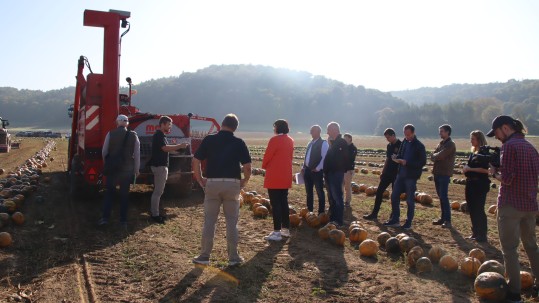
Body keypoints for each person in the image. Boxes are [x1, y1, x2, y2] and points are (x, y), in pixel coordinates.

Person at [486, 115, 539, 303]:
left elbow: (507, 178)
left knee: (510, 249)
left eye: (497, 133)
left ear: (505, 128)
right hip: (531, 206)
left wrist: (494, 173)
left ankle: (515, 293)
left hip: (511, 206)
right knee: (532, 246)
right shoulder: (531, 147)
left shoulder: (509, 146)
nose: (497, 137)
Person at [192, 114, 251, 267]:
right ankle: (233, 257)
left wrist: (200, 179)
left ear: (222, 124)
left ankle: (204, 256)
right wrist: (244, 181)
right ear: (235, 127)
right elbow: (247, 167)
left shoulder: (209, 139)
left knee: (210, 221)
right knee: (232, 222)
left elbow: (196, 160)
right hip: (232, 184)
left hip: (212, 183)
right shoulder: (239, 142)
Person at [99, 114, 140, 227]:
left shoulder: (110, 133)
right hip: (126, 170)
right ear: (127, 123)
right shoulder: (133, 135)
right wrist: (136, 169)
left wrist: (107, 163)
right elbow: (137, 154)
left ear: (117, 123)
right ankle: (123, 221)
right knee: (124, 195)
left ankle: (105, 219)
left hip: (112, 169)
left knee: (109, 193)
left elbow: (104, 152)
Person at [383, 124, 426, 230]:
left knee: (410, 200)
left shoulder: (419, 145)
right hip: (400, 174)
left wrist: (407, 163)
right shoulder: (404, 143)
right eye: (405, 134)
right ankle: (395, 219)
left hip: (411, 176)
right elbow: (401, 155)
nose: (406, 137)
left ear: (413, 133)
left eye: (408, 134)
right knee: (394, 196)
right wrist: (396, 158)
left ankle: (408, 222)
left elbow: (422, 162)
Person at [147, 116, 189, 224]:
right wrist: (179, 145)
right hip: (159, 166)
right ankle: (155, 214)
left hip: (160, 166)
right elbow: (164, 148)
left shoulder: (161, 136)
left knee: (158, 192)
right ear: (163, 124)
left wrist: (179, 149)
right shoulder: (159, 135)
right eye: (169, 124)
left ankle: (156, 212)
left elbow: (165, 149)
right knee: (158, 192)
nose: (170, 127)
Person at [262, 119, 294, 241]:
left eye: (274, 126)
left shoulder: (274, 140)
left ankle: (276, 232)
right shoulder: (290, 140)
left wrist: (264, 165)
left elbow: (267, 156)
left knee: (275, 204)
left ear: (277, 128)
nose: (273, 129)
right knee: (284, 203)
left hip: (275, 176)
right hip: (285, 175)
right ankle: (285, 229)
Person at [363, 128, 402, 220]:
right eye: (386, 138)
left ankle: (394, 215)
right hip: (387, 173)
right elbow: (388, 159)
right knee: (379, 192)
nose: (387, 139)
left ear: (393, 135)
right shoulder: (389, 146)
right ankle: (374, 214)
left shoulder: (401, 145)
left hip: (397, 174)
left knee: (395, 195)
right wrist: (383, 171)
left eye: (388, 137)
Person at [462, 130, 490, 242]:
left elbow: (486, 170)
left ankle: (482, 235)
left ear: (479, 139)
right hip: (470, 183)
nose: (471, 141)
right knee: (472, 208)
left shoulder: (485, 153)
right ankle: (475, 232)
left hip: (480, 184)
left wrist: (470, 169)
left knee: (479, 209)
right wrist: (466, 168)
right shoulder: (473, 152)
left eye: (473, 139)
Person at [323, 122, 349, 227]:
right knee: (332, 197)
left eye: (328, 129)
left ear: (334, 129)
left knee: (338, 197)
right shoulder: (333, 143)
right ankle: (333, 218)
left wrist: (338, 169)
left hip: (336, 174)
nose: (327, 132)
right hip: (329, 174)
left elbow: (345, 158)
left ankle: (338, 221)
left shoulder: (341, 142)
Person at [431, 124, 456, 228]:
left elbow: (440, 155)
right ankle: (443, 218)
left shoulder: (450, 144)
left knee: (444, 197)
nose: (440, 133)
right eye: (440, 131)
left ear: (447, 132)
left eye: (442, 131)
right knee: (441, 197)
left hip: (444, 174)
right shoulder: (441, 143)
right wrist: (436, 156)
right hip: (437, 172)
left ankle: (448, 220)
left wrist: (436, 156)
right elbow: (433, 156)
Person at [302, 125, 329, 215]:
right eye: (310, 130)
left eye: (312, 131)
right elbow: (307, 156)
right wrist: (303, 167)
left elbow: (325, 158)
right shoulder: (310, 143)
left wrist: (318, 168)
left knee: (319, 191)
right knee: (309, 192)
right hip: (307, 171)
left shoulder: (323, 143)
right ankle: (309, 210)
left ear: (318, 132)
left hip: (317, 172)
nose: (311, 132)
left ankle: (321, 211)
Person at [343, 133, 358, 208]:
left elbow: (350, 158)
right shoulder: (344, 147)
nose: (344, 139)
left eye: (345, 138)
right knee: (340, 186)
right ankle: (341, 200)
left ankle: (347, 201)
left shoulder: (353, 148)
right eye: (344, 138)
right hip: (342, 169)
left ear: (350, 138)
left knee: (347, 186)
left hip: (349, 170)